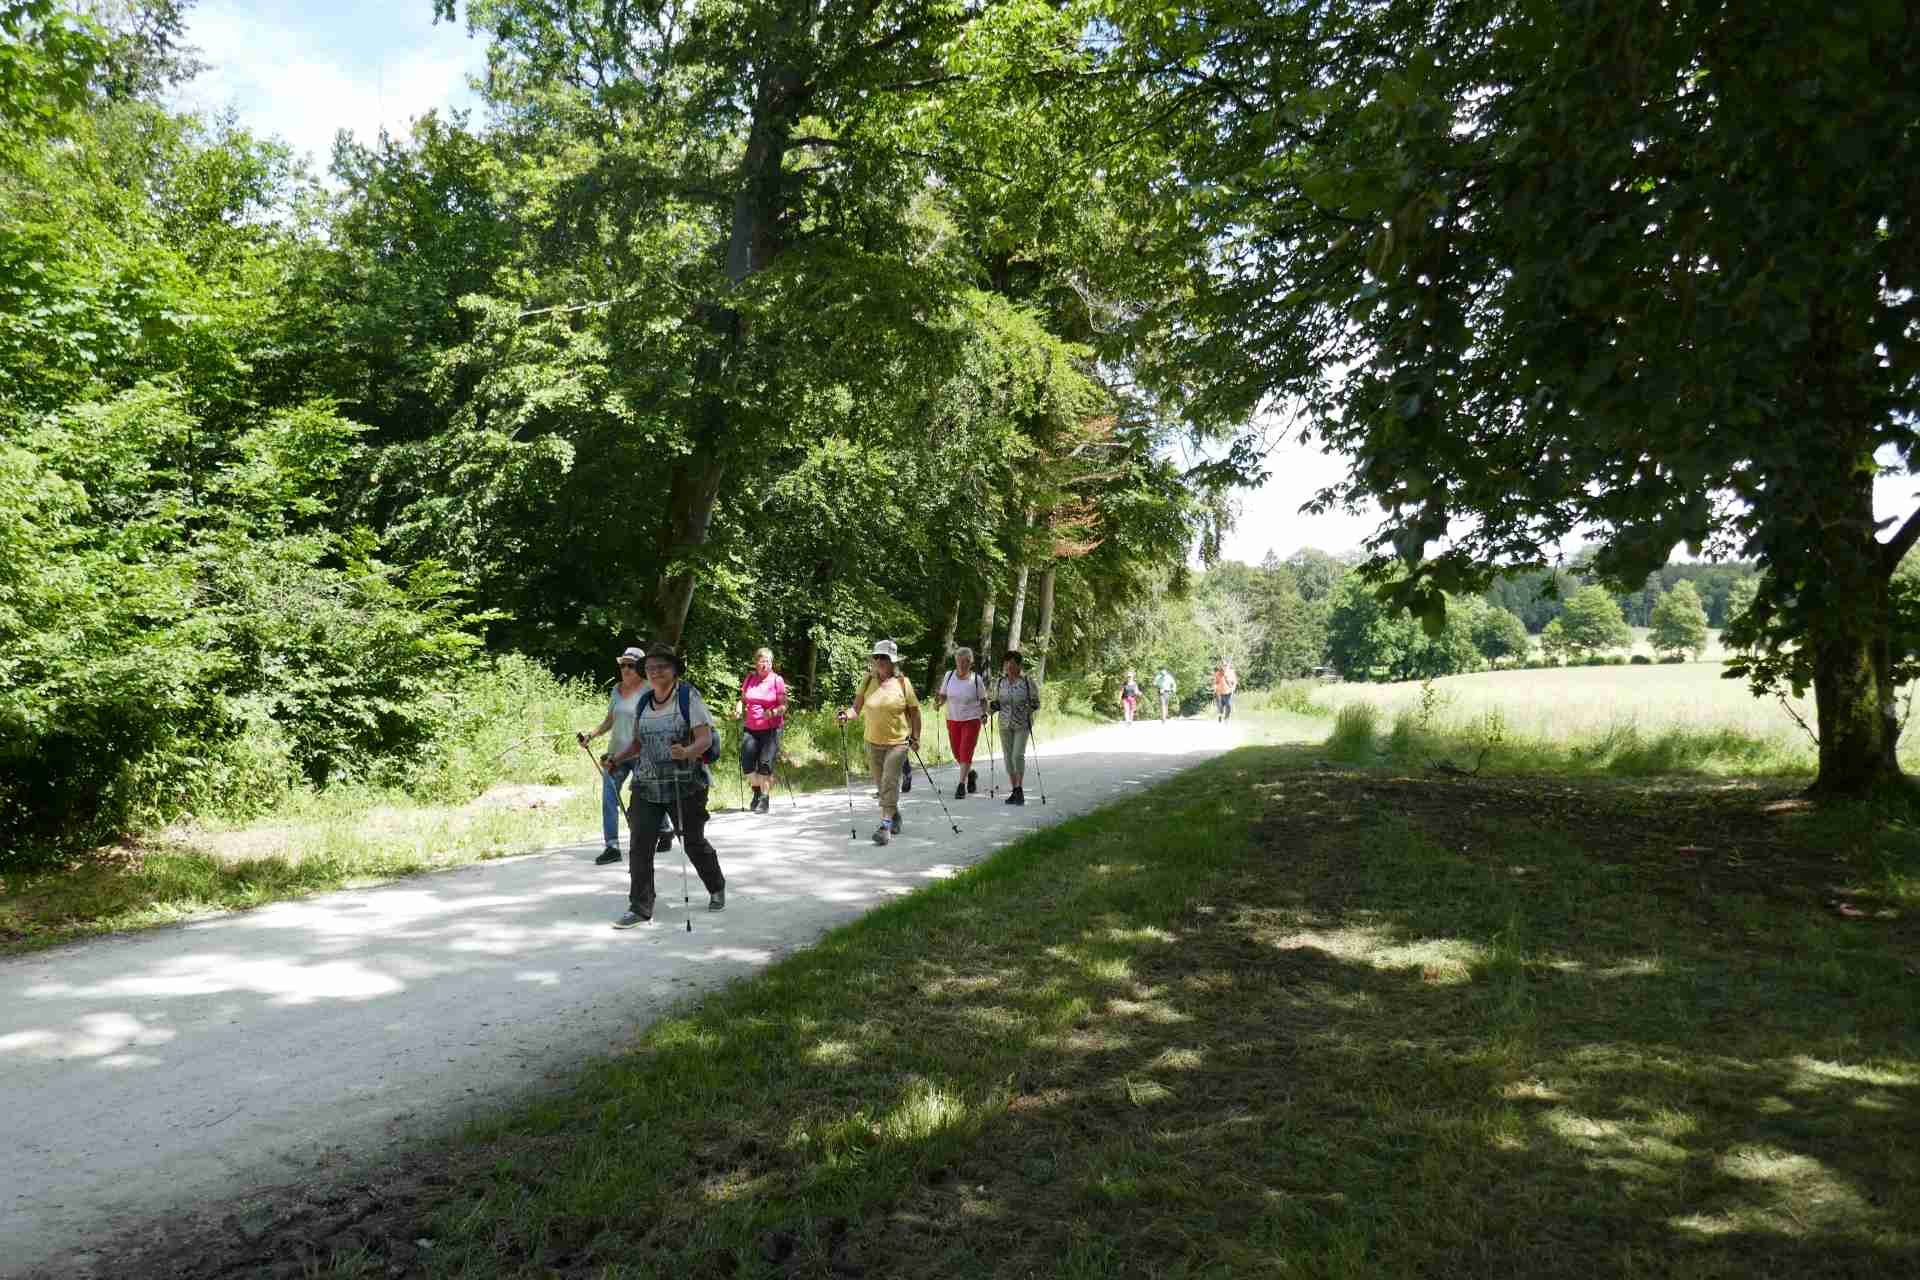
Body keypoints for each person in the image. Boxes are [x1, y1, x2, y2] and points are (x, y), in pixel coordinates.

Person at [604, 641, 726, 927]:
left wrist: (687, 752)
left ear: (673, 669)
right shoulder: (645, 702)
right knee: (640, 844)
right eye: (650, 667)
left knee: (692, 842)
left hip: (684, 783)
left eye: (662, 666)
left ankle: (716, 885)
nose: (655, 671)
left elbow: (704, 739)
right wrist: (617, 759)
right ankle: (640, 907)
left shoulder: (688, 696)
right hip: (647, 783)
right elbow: (637, 743)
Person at [577, 646, 672, 867]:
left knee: (648, 796)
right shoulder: (616, 690)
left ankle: (665, 829)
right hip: (615, 755)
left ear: (640, 668)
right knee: (609, 796)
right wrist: (590, 735)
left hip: (642, 754)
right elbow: (610, 720)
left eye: (631, 665)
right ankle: (612, 847)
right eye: (623, 665)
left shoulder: (650, 690)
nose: (626, 669)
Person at [837, 639, 921, 845]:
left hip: (898, 742)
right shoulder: (867, 680)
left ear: (893, 661)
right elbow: (856, 709)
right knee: (881, 786)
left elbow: (915, 713)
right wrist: (845, 716)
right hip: (872, 742)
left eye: (884, 657)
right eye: (877, 657)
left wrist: (916, 737)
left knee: (889, 782)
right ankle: (894, 815)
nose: (880, 661)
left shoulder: (903, 683)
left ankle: (885, 827)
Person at [735, 647, 789, 814]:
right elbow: (742, 699)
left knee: (765, 764)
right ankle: (757, 791)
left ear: (771, 663)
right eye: (761, 661)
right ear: (756, 663)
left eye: (767, 661)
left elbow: (784, 706)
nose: (764, 664)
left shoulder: (776, 680)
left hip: (771, 729)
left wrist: (773, 712)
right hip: (751, 728)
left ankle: (764, 799)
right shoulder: (750, 678)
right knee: (747, 764)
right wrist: (738, 709)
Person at [933, 646, 988, 800]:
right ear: (956, 661)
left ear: (971, 663)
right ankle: (971, 774)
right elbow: (943, 696)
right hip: (952, 718)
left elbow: (984, 700)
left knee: (965, 750)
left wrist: (984, 713)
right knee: (957, 753)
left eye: (966, 662)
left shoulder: (976, 679)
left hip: (971, 719)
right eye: (959, 661)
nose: (962, 664)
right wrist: (938, 703)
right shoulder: (949, 676)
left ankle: (961, 785)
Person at [992, 650, 1041, 806]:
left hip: (1022, 724)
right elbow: (996, 702)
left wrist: (1030, 708)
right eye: (1007, 664)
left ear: (1019, 665)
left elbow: (1036, 702)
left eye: (1012, 664)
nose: (1009, 668)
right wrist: (988, 712)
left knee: (1017, 755)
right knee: (1007, 758)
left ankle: (1019, 788)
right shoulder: (1001, 682)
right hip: (1004, 724)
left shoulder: (1027, 682)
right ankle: (1015, 790)